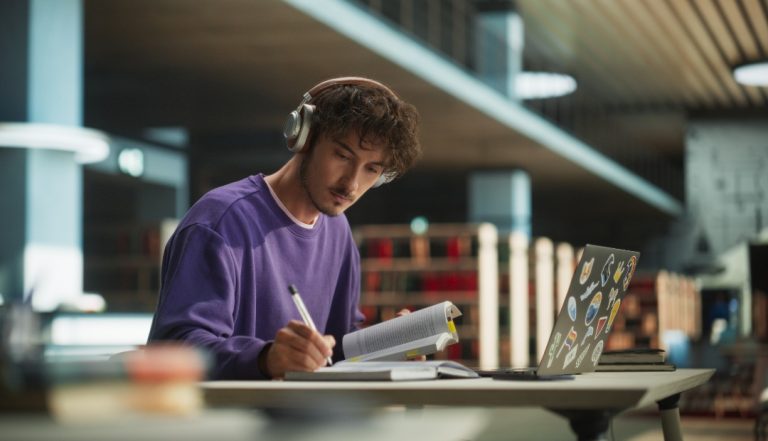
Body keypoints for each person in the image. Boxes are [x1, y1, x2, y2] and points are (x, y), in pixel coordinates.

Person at [147, 77, 421, 380]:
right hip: (224, 423)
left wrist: (383, 350)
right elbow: (173, 350)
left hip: (303, 420)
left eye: (372, 169)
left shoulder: (338, 229)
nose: (352, 183)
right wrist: (266, 358)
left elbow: (333, 350)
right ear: (304, 137)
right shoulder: (221, 221)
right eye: (343, 156)